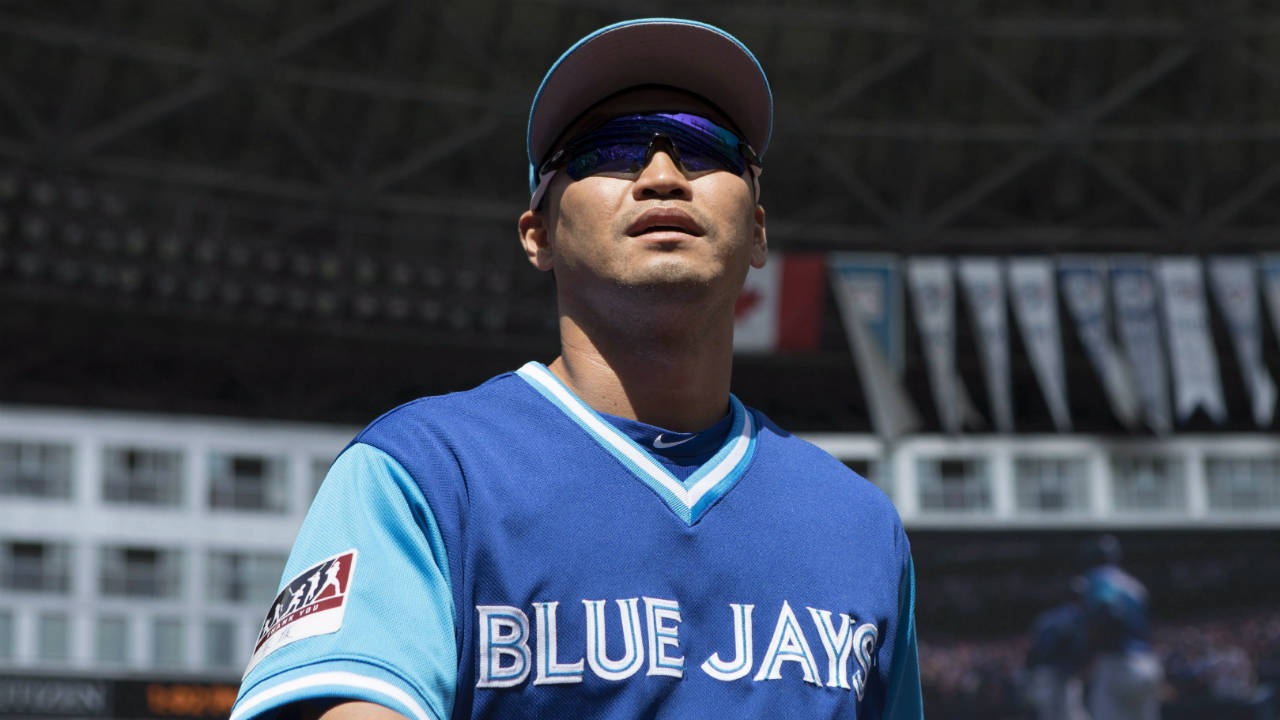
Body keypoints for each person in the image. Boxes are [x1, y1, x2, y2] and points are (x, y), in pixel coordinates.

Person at [229, 18, 922, 720]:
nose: (662, 177)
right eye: (611, 150)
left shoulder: (860, 526)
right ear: (538, 234)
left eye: (705, 148)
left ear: (759, 231)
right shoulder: (423, 475)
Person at [1079, 534, 1162, 720]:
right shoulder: (1134, 584)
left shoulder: (1099, 577)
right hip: (1147, 662)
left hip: (1117, 662)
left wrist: (1094, 649)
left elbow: (1107, 610)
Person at [1023, 586, 1089, 720]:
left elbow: (1033, 648)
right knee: (1070, 713)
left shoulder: (1046, 617)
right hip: (1062, 672)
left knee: (1048, 713)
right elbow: (1078, 645)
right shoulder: (1075, 614)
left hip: (1042, 671)